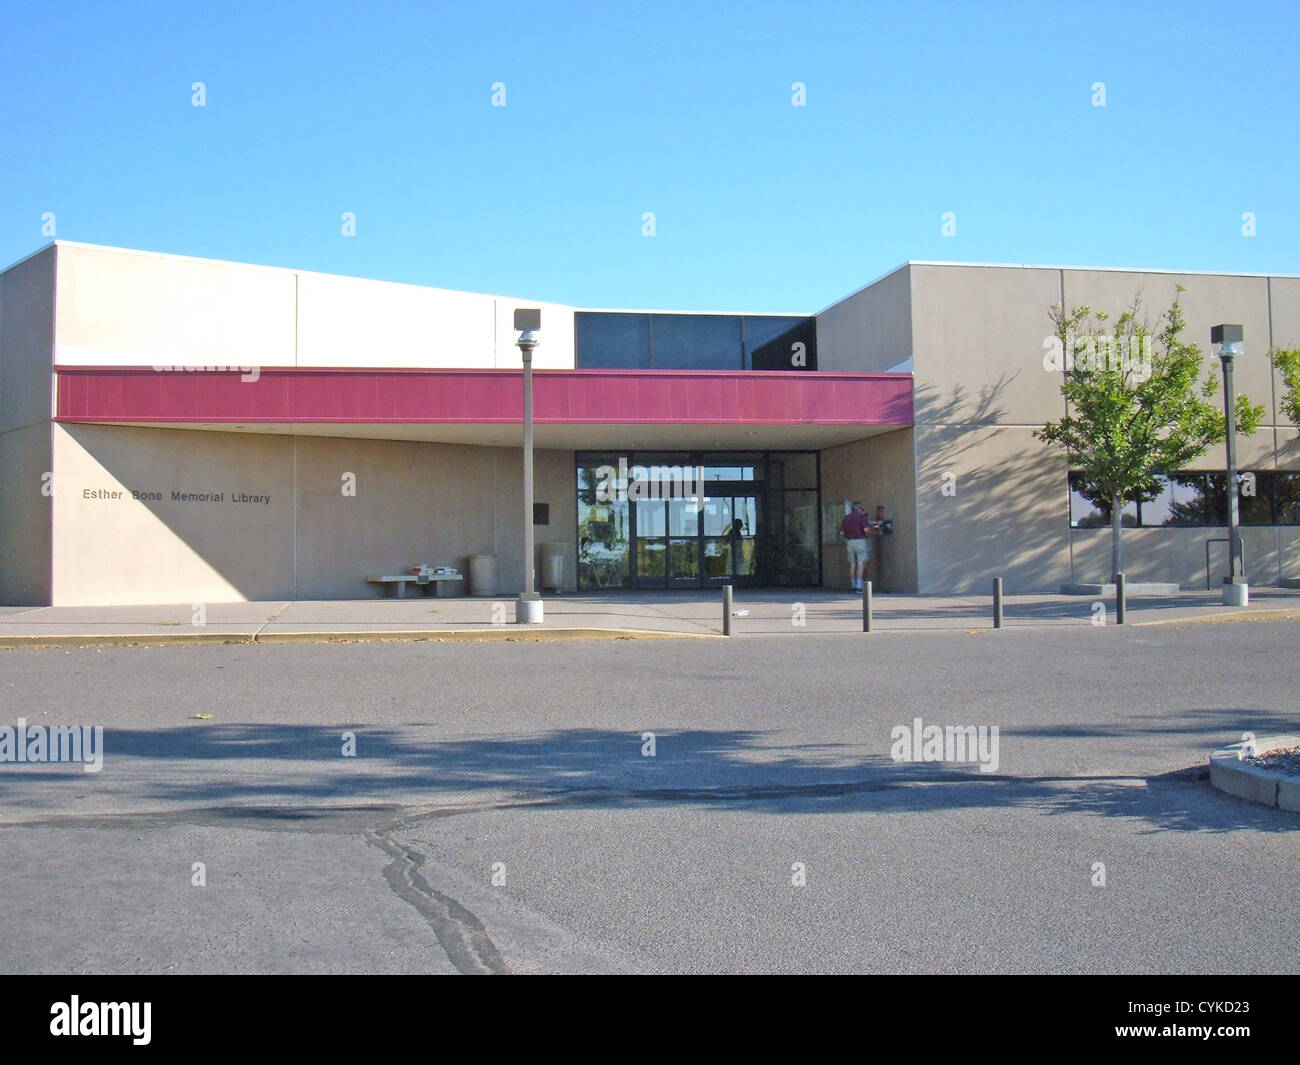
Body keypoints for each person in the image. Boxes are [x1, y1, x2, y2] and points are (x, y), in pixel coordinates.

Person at [839, 501, 872, 592]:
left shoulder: (846, 518)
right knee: (860, 564)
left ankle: (853, 585)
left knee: (852, 565)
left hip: (849, 542)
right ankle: (859, 586)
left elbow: (842, 532)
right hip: (860, 541)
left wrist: (848, 537)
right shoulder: (862, 517)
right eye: (862, 509)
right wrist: (871, 531)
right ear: (859, 508)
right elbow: (866, 530)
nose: (863, 511)